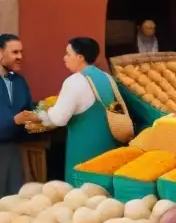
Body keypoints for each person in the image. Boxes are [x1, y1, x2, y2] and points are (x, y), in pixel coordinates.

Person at [16, 37, 123, 184]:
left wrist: (36, 116)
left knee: (80, 195)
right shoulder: (107, 78)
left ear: (80, 57)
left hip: (85, 150)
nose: (64, 58)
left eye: (68, 54)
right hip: (109, 148)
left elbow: (59, 118)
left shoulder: (74, 81)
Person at [0, 34, 32, 196]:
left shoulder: (19, 82)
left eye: (21, 52)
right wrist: (12, 121)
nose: (20, 57)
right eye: (14, 52)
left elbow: (27, 109)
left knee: (13, 200)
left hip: (13, 150)